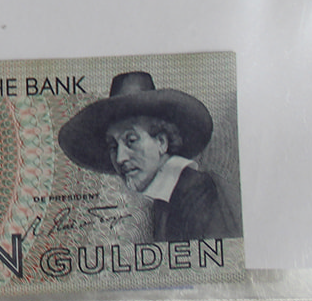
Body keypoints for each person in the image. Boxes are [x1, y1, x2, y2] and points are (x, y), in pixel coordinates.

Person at [55, 69, 240, 242]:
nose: (119, 158)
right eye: (113, 146)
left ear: (161, 142)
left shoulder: (198, 193)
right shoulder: (164, 201)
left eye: (131, 140)